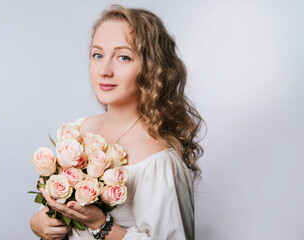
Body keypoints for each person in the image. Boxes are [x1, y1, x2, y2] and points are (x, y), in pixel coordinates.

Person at [30, 5, 204, 240]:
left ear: (151, 68)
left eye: (123, 57)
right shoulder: (78, 131)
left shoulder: (157, 158)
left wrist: (100, 224)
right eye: (98, 55)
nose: (104, 70)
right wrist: (40, 221)